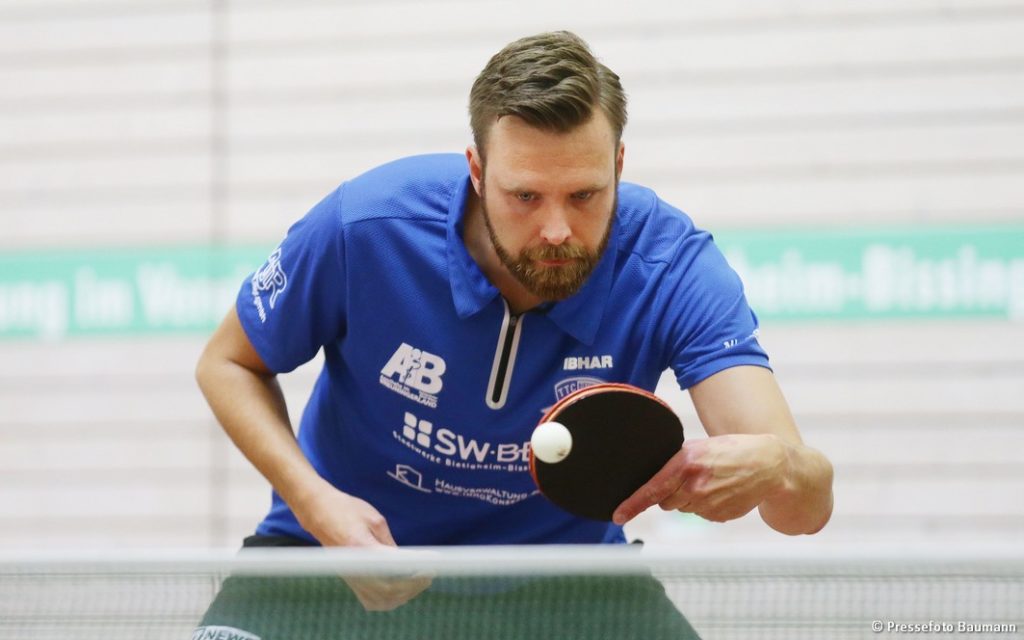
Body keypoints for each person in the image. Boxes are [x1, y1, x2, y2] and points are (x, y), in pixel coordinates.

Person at [193, 30, 833, 639]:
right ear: (476, 170)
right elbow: (228, 363)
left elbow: (803, 511)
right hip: (335, 557)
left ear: (618, 165)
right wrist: (315, 504)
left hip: (568, 584)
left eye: (584, 195)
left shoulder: (671, 267)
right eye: (525, 196)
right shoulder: (366, 227)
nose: (557, 229)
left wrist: (780, 467)